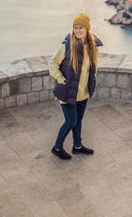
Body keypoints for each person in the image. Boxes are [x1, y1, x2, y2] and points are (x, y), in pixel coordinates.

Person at [48, 13, 102, 160]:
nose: (77, 31)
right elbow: (52, 63)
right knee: (71, 121)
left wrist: (92, 78)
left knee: (78, 120)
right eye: (75, 28)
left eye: (81, 27)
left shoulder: (92, 46)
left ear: (87, 29)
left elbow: (94, 65)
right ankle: (57, 147)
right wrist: (60, 79)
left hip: (82, 92)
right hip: (68, 92)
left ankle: (77, 146)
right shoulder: (67, 46)